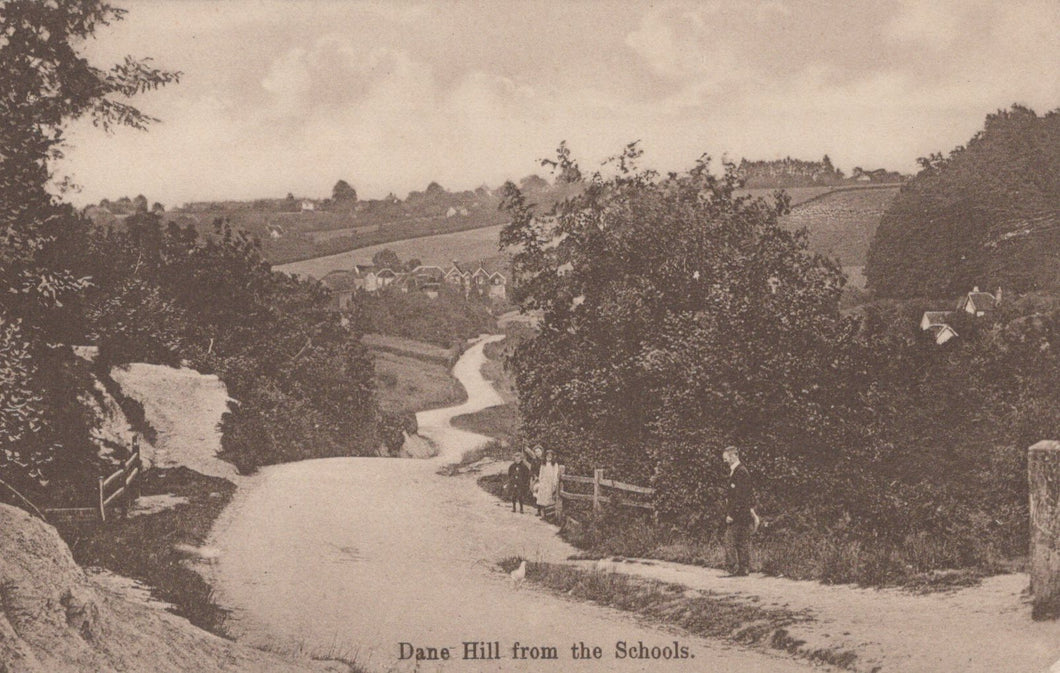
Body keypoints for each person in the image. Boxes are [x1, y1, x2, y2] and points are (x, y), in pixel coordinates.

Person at [722, 446, 759, 576]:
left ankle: (732, 567)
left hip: (738, 514)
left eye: (726, 458)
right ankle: (744, 568)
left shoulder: (740, 472)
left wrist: (731, 514)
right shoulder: (739, 471)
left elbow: (740, 496)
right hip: (744, 513)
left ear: (733, 456)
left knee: (729, 539)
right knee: (742, 541)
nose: (725, 461)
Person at [535, 449, 561, 519]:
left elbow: (555, 474)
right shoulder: (543, 464)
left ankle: (549, 515)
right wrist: (540, 480)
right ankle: (542, 514)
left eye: (550, 456)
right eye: (547, 456)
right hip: (544, 483)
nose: (548, 458)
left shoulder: (554, 464)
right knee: (542, 498)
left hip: (550, 483)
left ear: (552, 457)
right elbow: (541, 473)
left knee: (549, 498)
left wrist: (554, 483)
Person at [527, 445, 545, 515]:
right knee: (537, 494)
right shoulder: (534, 461)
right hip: (536, 479)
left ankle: (544, 510)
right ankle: (539, 510)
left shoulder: (544, 460)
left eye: (539, 451)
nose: (537, 453)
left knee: (544, 494)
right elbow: (531, 470)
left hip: (544, 479)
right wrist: (535, 476)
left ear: (542, 452)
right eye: (536, 452)